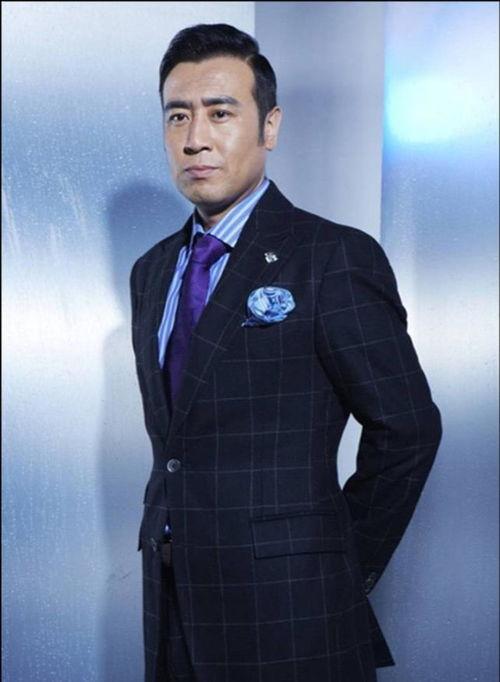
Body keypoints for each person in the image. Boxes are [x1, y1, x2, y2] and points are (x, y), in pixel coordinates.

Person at [129, 23, 442, 682]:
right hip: (173, 606)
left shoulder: (331, 257)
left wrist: (337, 565)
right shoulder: (152, 271)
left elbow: (408, 427)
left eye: (220, 113)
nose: (195, 138)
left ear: (269, 127)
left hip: (296, 614)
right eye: (178, 116)